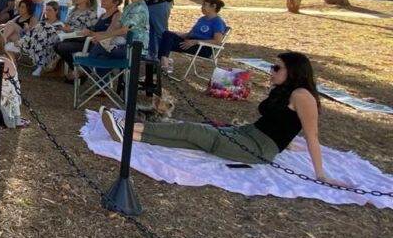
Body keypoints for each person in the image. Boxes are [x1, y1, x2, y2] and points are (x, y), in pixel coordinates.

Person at [99, 52, 345, 185]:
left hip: (256, 148)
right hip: (248, 134)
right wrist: (290, 142)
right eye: (272, 66)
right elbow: (285, 125)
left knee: (194, 133)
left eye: (277, 68)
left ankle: (130, 129)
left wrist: (320, 173)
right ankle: (133, 134)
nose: (271, 71)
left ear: (294, 71)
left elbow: (311, 135)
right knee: (193, 136)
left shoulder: (303, 96)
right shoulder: (283, 91)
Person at [86, 0, 150, 78]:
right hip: (124, 44)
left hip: (135, 48)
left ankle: (82, 72)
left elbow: (125, 29)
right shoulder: (129, 6)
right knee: (100, 51)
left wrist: (103, 37)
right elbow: (117, 26)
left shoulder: (139, 7)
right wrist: (101, 36)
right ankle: (103, 85)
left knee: (99, 48)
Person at [58, 0, 122, 81]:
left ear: (115, 2)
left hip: (99, 43)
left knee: (62, 46)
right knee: (61, 44)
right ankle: (79, 72)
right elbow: (94, 29)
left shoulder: (117, 15)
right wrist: (88, 32)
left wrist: (91, 33)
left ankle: (81, 72)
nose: (103, 0)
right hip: (90, 40)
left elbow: (109, 33)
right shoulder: (103, 15)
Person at [158, 0, 227, 72]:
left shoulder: (217, 22)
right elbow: (190, 34)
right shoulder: (202, 19)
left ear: (213, 6)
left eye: (204, 5)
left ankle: (162, 63)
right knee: (166, 34)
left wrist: (195, 41)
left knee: (166, 43)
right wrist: (175, 34)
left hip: (203, 47)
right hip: (190, 42)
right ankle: (164, 61)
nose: (202, 7)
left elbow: (217, 41)